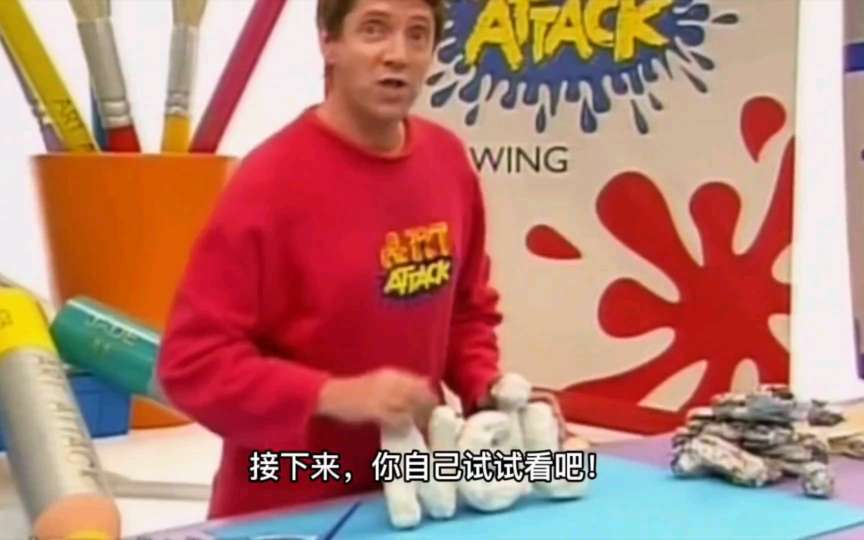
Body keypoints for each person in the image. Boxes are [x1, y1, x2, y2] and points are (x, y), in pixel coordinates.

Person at [156, 0, 568, 520]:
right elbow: (192, 364)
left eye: (417, 35)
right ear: (329, 42)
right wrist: (334, 395)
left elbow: (465, 312)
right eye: (374, 30)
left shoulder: (446, 160)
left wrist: (488, 388)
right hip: (292, 496)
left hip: (417, 491)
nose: (398, 54)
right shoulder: (269, 183)